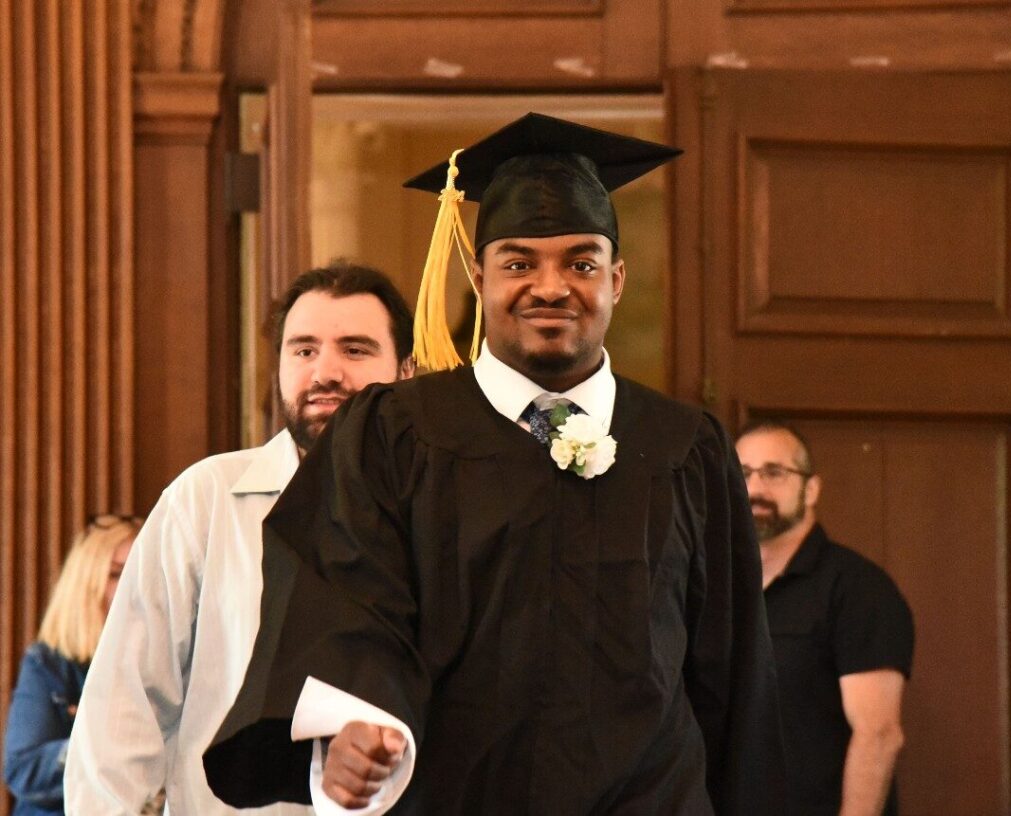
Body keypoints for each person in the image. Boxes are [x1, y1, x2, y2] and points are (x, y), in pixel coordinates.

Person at [204, 113, 787, 815]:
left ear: (617, 279)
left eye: (581, 264)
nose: (551, 286)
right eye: (518, 263)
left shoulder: (684, 448)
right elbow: (347, 605)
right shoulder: (394, 435)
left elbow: (732, 672)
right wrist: (351, 723)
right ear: (478, 278)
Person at [64, 262, 415, 815]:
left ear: (407, 371)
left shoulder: (435, 513)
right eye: (303, 350)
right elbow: (123, 709)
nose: (326, 372)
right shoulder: (205, 501)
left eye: (355, 349)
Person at [735, 419, 914, 816]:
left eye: (774, 473)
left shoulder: (858, 588)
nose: (755, 489)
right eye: (743, 474)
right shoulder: (719, 589)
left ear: (812, 488)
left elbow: (878, 734)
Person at [3, 515, 141, 815]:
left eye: (139, 574)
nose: (129, 587)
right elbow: (23, 770)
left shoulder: (166, 665)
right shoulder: (48, 664)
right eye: (116, 574)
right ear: (86, 585)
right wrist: (103, 737)